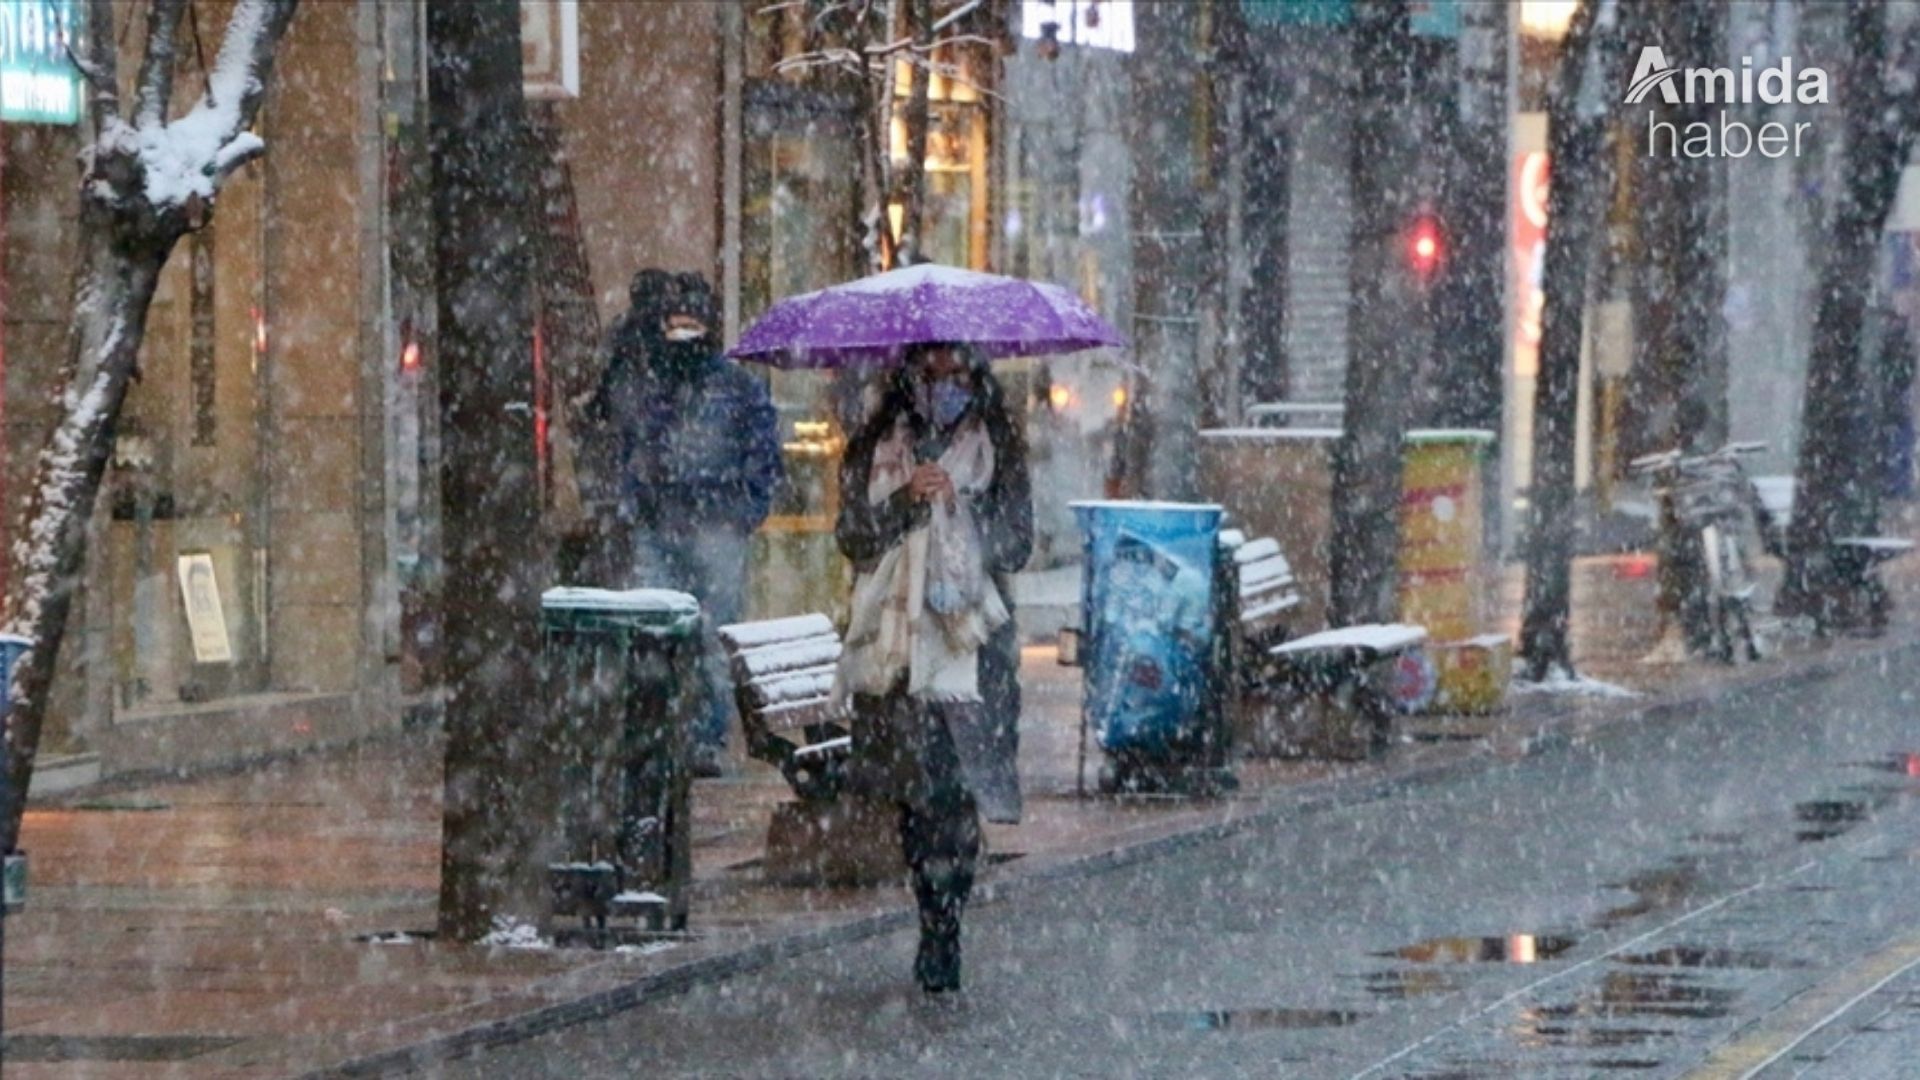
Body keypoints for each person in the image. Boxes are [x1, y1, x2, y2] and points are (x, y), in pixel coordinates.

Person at [832, 342, 1032, 993]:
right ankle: (931, 911)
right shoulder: (877, 444)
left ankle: (947, 922)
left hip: (972, 640)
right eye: (931, 373)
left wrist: (961, 509)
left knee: (957, 791)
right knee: (920, 798)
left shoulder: (995, 445)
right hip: (898, 645)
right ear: (909, 378)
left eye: (956, 373)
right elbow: (854, 536)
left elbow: (1018, 543)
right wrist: (906, 502)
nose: (943, 386)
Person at [584, 269, 785, 777]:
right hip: (663, 524)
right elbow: (630, 443)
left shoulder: (734, 387)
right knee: (657, 633)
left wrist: (743, 510)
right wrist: (638, 504)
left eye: (692, 323)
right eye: (676, 323)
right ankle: (662, 734)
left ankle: (704, 738)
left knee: (712, 639)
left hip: (716, 529)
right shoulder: (657, 383)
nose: (683, 334)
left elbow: (763, 452)